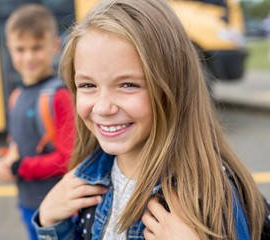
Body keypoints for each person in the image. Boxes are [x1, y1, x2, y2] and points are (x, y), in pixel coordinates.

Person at [32, 0, 269, 239]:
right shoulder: (84, 180)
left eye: (128, 84)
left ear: (172, 87)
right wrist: (50, 221)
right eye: (87, 85)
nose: (102, 107)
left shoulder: (212, 195)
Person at [0, 4, 75, 240]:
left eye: (37, 47)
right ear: (9, 48)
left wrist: (20, 168)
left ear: (55, 46)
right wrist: (6, 162)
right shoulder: (15, 96)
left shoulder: (59, 95)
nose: (28, 56)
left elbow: (68, 159)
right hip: (28, 204)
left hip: (58, 209)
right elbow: (16, 146)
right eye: (20, 49)